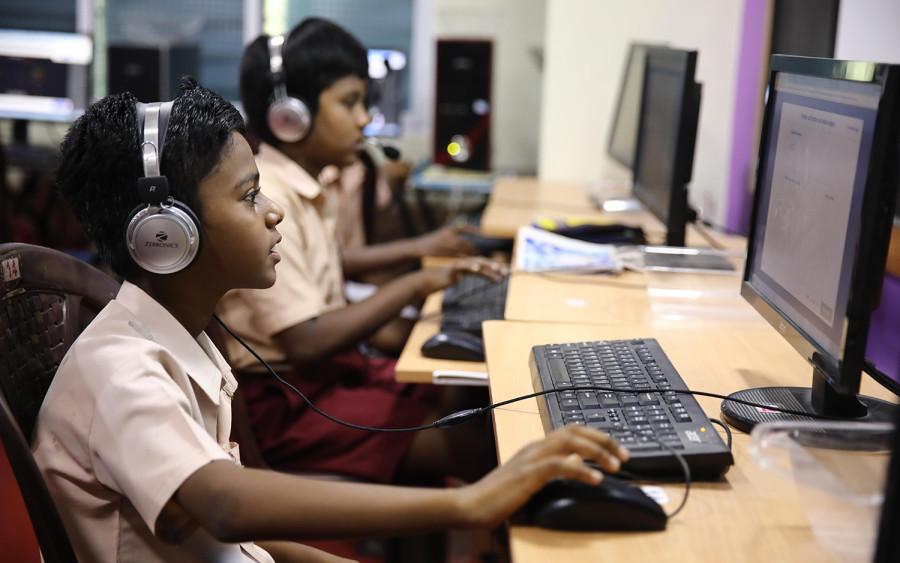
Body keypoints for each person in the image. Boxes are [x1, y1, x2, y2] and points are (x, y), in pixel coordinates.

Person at [32, 79, 629, 562]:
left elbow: (227, 538)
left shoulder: (183, 343)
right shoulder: (120, 370)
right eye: (247, 197)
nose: (272, 214)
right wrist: (467, 505)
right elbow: (224, 505)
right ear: (165, 238)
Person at [216, 18, 502, 484]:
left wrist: (422, 266)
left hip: (326, 379)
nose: (365, 118)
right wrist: (415, 283)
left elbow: (325, 265)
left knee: (467, 392)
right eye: (349, 102)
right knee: (478, 438)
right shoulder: (273, 195)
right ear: (290, 115)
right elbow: (305, 341)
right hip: (291, 403)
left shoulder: (310, 184)